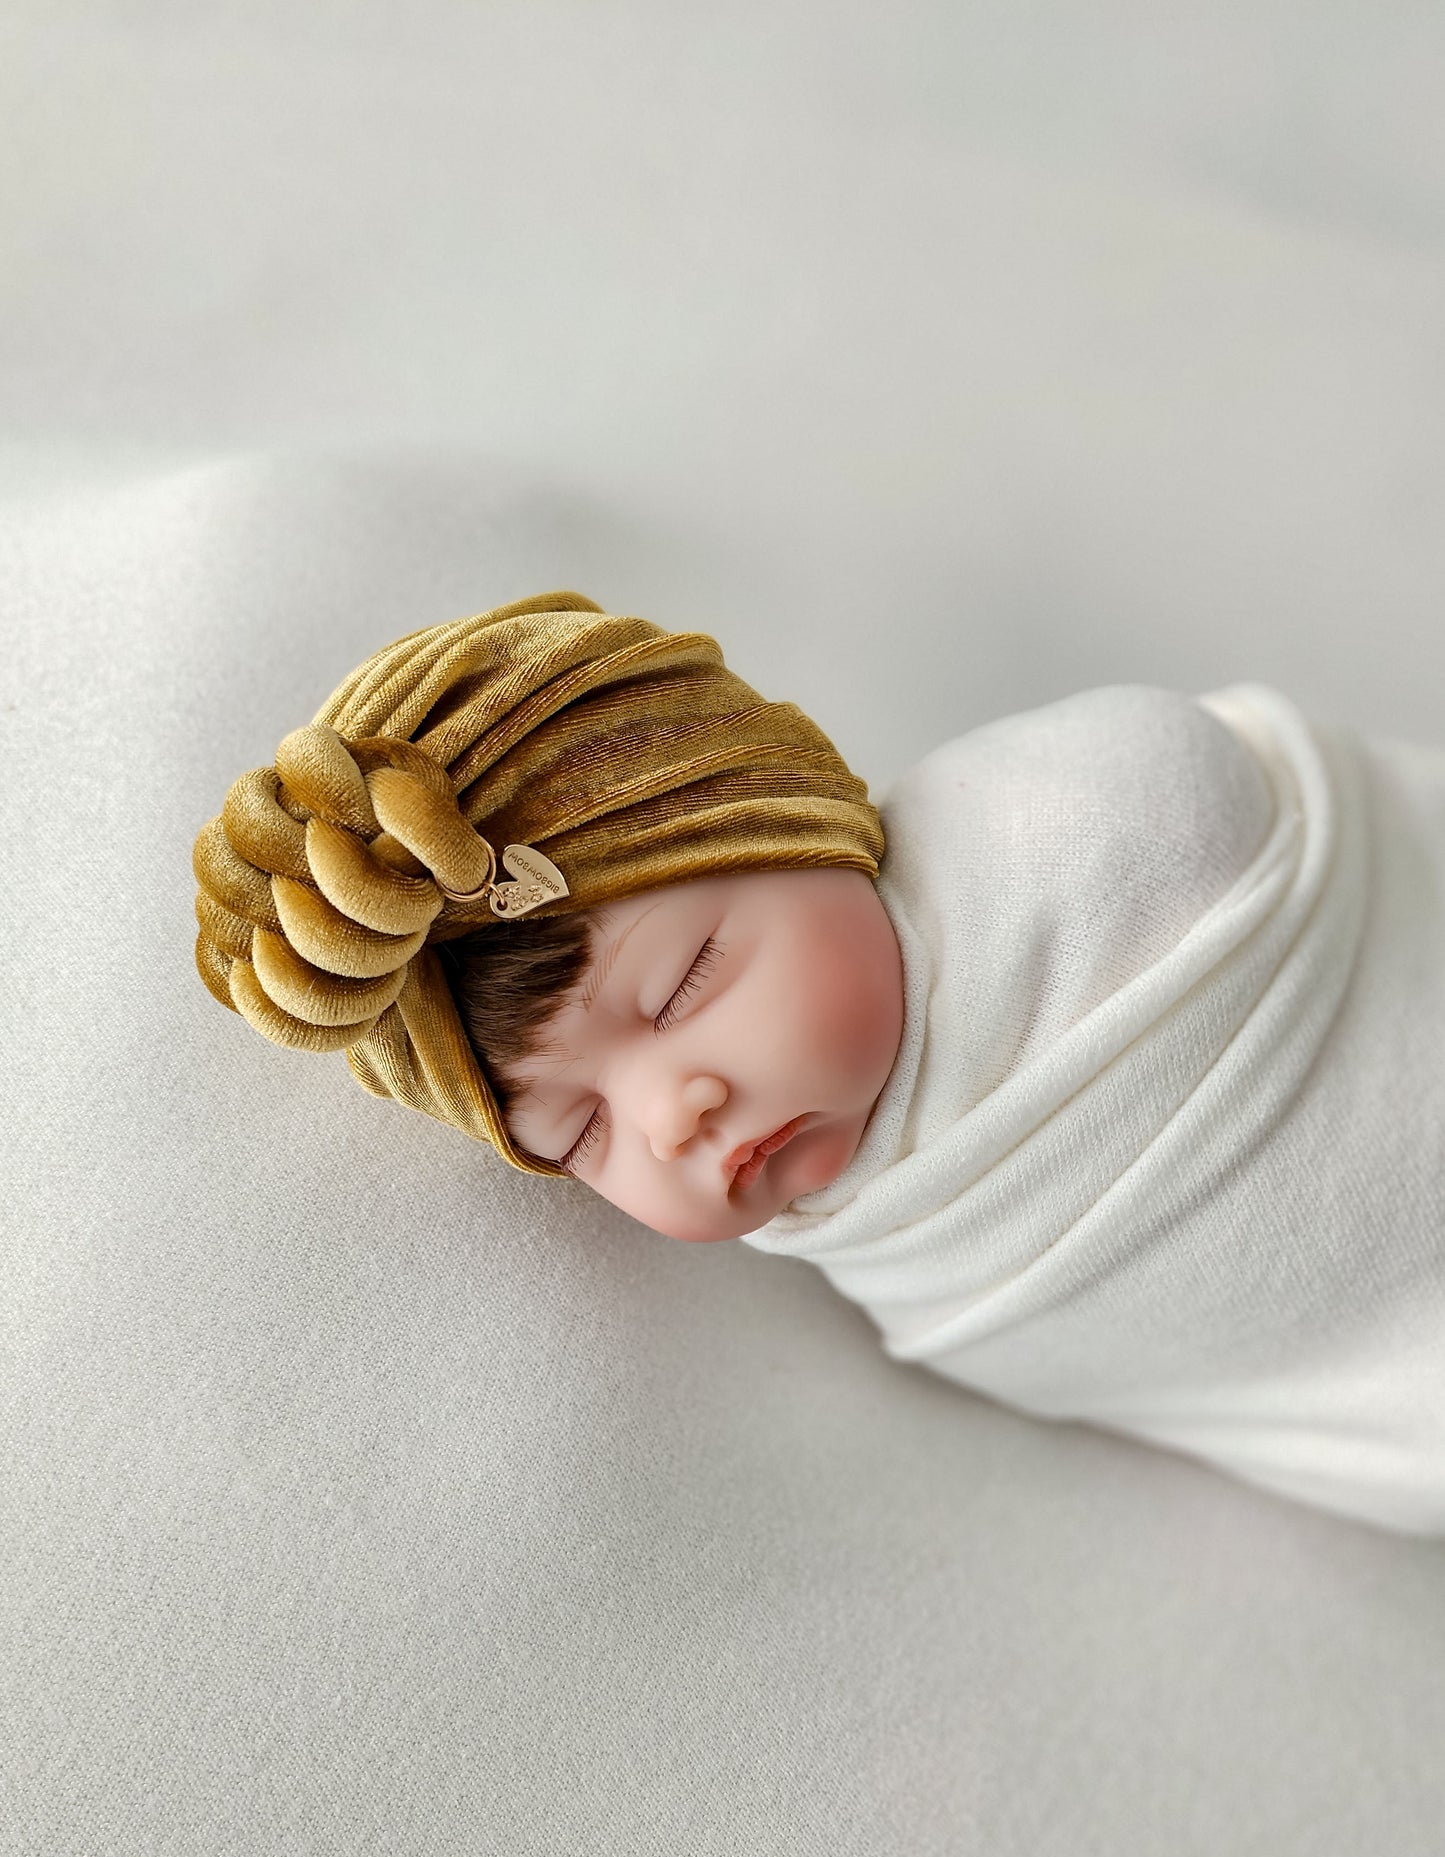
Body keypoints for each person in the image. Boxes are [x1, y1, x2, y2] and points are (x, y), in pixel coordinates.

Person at [193, 593, 1445, 1535]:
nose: (668, 1115)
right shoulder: (882, 1239)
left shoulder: (1073, 821)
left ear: (807, 826)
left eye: (682, 982)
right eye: (577, 1135)